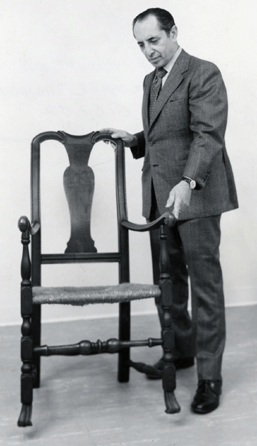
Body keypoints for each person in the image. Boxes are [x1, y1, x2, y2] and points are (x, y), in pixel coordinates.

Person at [102, 7, 238, 414]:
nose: (147, 51)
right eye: (140, 45)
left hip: (194, 196)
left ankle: (209, 378)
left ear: (174, 32)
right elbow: (166, 132)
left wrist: (189, 182)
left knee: (205, 289)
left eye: (154, 41)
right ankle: (179, 353)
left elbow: (207, 134)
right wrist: (135, 140)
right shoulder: (151, 80)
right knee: (170, 284)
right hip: (159, 199)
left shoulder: (203, 72)